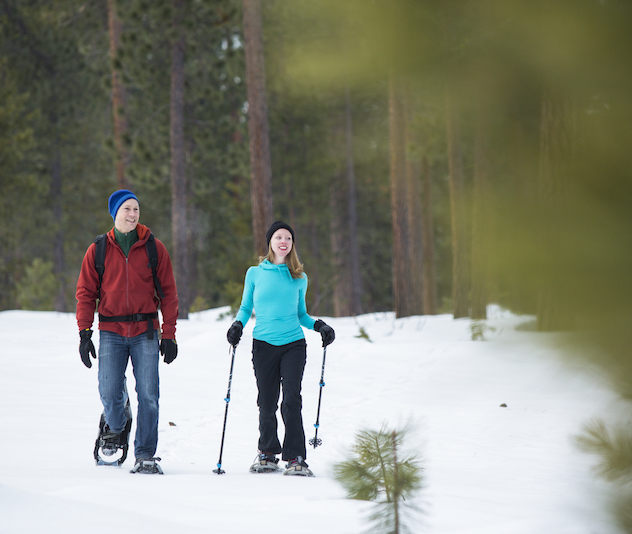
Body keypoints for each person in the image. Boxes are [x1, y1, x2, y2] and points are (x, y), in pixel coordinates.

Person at [76, 189, 179, 475]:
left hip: (146, 331)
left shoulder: (153, 248)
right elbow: (85, 294)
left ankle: (145, 453)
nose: (132, 214)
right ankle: (116, 425)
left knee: (148, 394)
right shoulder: (97, 250)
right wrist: (85, 333)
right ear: (115, 213)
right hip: (110, 330)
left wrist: (168, 334)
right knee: (109, 391)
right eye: (127, 209)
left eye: (136, 209)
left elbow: (169, 294)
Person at [227, 221, 335, 476]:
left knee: (291, 400)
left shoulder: (299, 277)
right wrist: (237, 325)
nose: (283, 241)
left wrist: (319, 326)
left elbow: (301, 314)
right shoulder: (254, 273)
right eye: (278, 237)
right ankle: (267, 453)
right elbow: (245, 309)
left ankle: (296, 456)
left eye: (287, 238)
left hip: (293, 345)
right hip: (263, 344)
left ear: (292, 243)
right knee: (266, 401)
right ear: (270, 242)